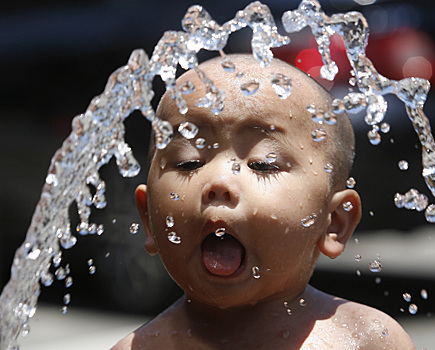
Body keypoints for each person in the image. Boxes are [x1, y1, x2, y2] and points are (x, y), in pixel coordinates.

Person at [112, 53, 415, 349]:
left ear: (333, 221)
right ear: (148, 217)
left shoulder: (366, 340)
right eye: (188, 162)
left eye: (263, 164)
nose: (219, 181)